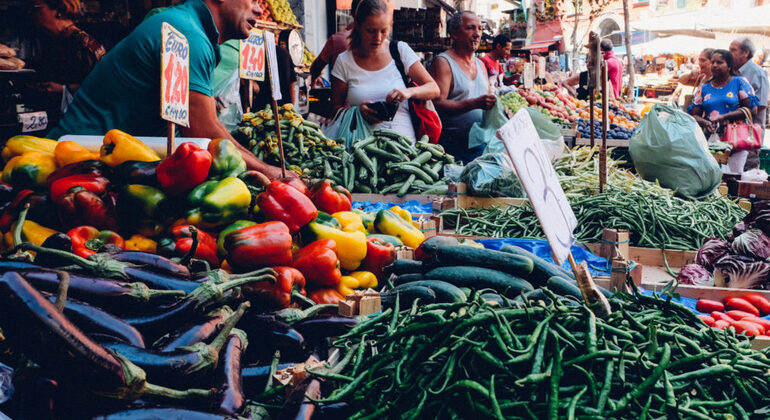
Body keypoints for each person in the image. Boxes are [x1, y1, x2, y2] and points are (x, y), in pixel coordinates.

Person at [45, 0, 286, 179]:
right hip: (68, 164)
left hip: (99, 165)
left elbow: (206, 124)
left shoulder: (192, 28)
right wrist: (270, 172)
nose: (258, 8)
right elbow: (203, 133)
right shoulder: (189, 33)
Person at [330, 0, 439, 143]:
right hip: (363, 153)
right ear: (358, 26)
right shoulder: (344, 61)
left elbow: (434, 88)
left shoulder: (400, 51)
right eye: (371, 31)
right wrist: (358, 112)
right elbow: (334, 109)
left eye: (384, 31)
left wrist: (409, 92)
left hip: (405, 150)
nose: (378, 38)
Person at [429, 11, 495, 163]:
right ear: (455, 34)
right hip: (452, 149)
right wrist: (474, 104)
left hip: (480, 145)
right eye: (470, 28)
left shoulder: (480, 64)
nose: (477, 34)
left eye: (479, 28)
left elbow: (488, 99)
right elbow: (437, 103)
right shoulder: (443, 62)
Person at [26, 0, 105, 122]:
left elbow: (102, 88)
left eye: (36, 7)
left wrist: (64, 89)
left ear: (60, 11)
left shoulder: (83, 44)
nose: (30, 12)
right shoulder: (54, 41)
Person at [688, 49, 758, 172]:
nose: (715, 65)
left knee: (733, 176)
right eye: (713, 62)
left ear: (729, 66)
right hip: (712, 141)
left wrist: (725, 117)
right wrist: (705, 122)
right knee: (714, 176)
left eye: (719, 62)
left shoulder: (739, 82)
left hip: (736, 141)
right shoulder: (705, 88)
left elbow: (752, 109)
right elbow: (694, 114)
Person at [309, 0, 361, 87]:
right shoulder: (382, 44)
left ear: (351, 13)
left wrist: (314, 79)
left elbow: (315, 68)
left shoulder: (337, 40)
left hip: (342, 98)